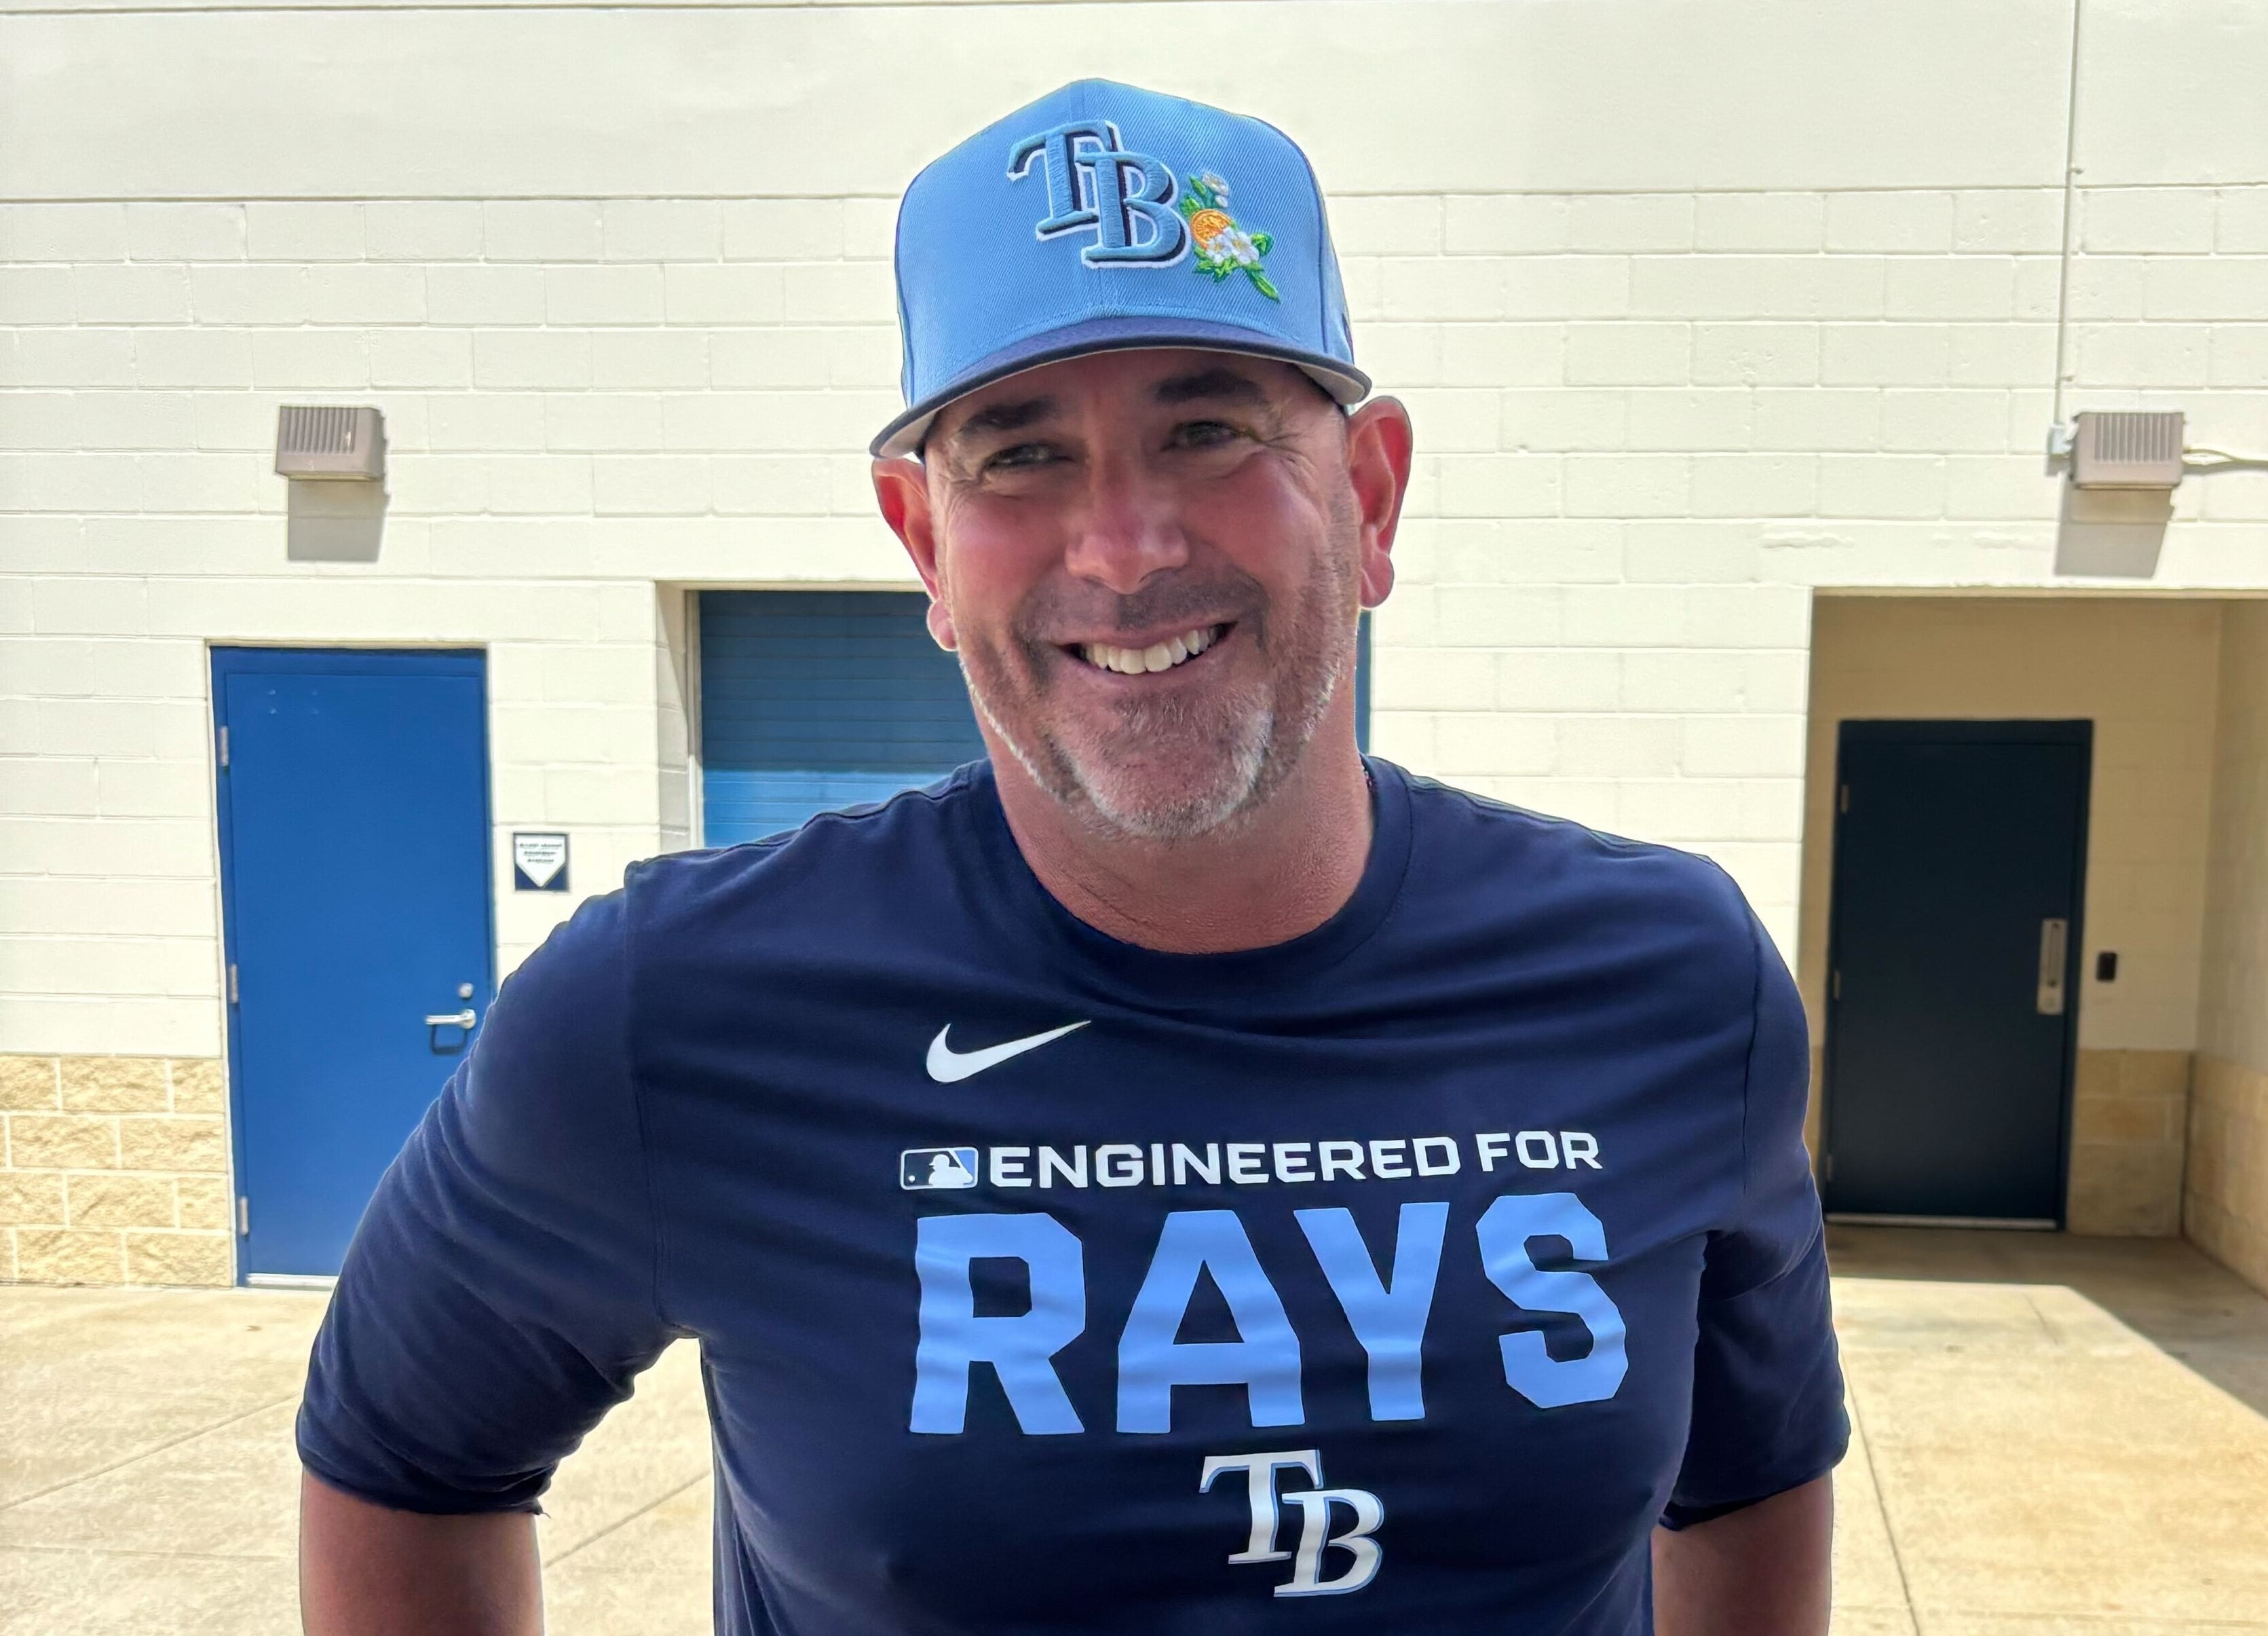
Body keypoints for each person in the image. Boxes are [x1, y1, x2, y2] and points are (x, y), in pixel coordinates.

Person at [292, 79, 1844, 1636]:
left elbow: (1752, 1481)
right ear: (922, 542)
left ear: (1368, 499)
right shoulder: (669, 1011)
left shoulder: (1668, 981)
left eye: (1210, 425)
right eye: (1020, 453)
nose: (1124, 546)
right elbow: (404, 1461)